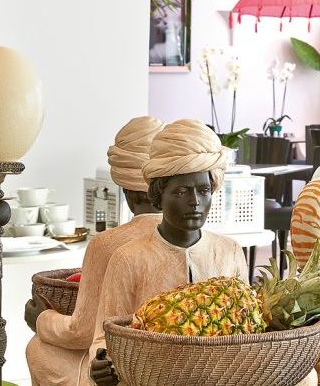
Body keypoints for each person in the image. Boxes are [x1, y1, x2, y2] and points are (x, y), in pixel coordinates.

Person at [88, 119, 246, 386]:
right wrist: (100, 363)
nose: (195, 202)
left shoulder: (229, 251)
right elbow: (104, 336)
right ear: (158, 197)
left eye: (204, 190)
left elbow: (246, 325)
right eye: (182, 192)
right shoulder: (128, 258)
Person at [25, 116, 166, 386]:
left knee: (38, 349)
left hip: (118, 371)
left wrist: (41, 319)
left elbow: (82, 332)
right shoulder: (201, 241)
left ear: (126, 191)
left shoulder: (107, 244)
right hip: (177, 364)